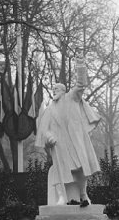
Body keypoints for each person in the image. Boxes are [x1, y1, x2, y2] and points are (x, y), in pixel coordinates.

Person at [34, 62, 102, 206]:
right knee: (60, 171)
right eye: (53, 89)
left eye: (57, 89)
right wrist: (48, 137)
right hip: (59, 145)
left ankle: (83, 194)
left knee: (82, 168)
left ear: (64, 91)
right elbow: (44, 128)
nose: (54, 90)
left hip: (75, 141)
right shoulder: (49, 110)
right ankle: (61, 197)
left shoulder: (71, 98)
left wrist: (81, 67)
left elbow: (80, 84)